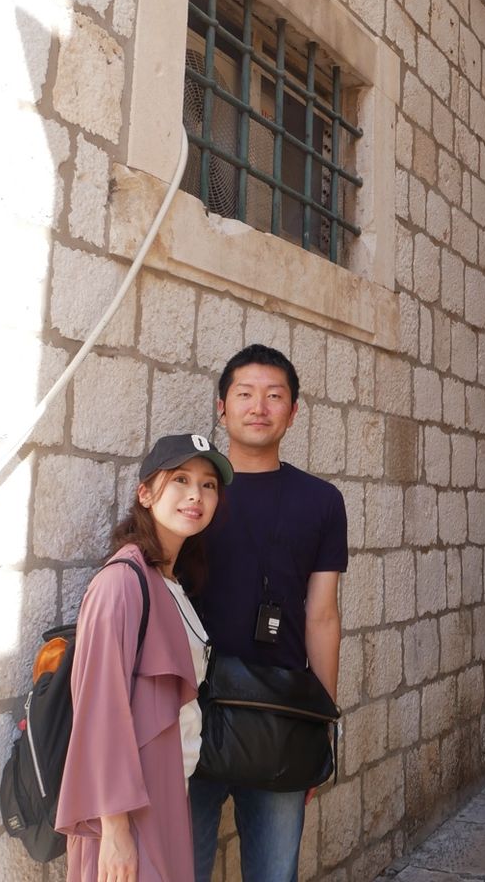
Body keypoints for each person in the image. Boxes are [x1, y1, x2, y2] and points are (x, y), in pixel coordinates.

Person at [191, 345, 348, 882]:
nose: (259, 407)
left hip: (280, 714)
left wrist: (320, 722)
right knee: (178, 867)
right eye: (245, 394)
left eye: (274, 396)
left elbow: (322, 616)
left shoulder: (322, 501)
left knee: (274, 874)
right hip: (190, 710)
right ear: (222, 407)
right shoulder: (193, 492)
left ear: (293, 411)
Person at [56, 433, 232, 882]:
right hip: (128, 812)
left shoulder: (171, 583)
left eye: (208, 485)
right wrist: (115, 830)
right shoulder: (121, 583)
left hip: (168, 794)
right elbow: (99, 710)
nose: (195, 495)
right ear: (146, 493)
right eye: (180, 479)